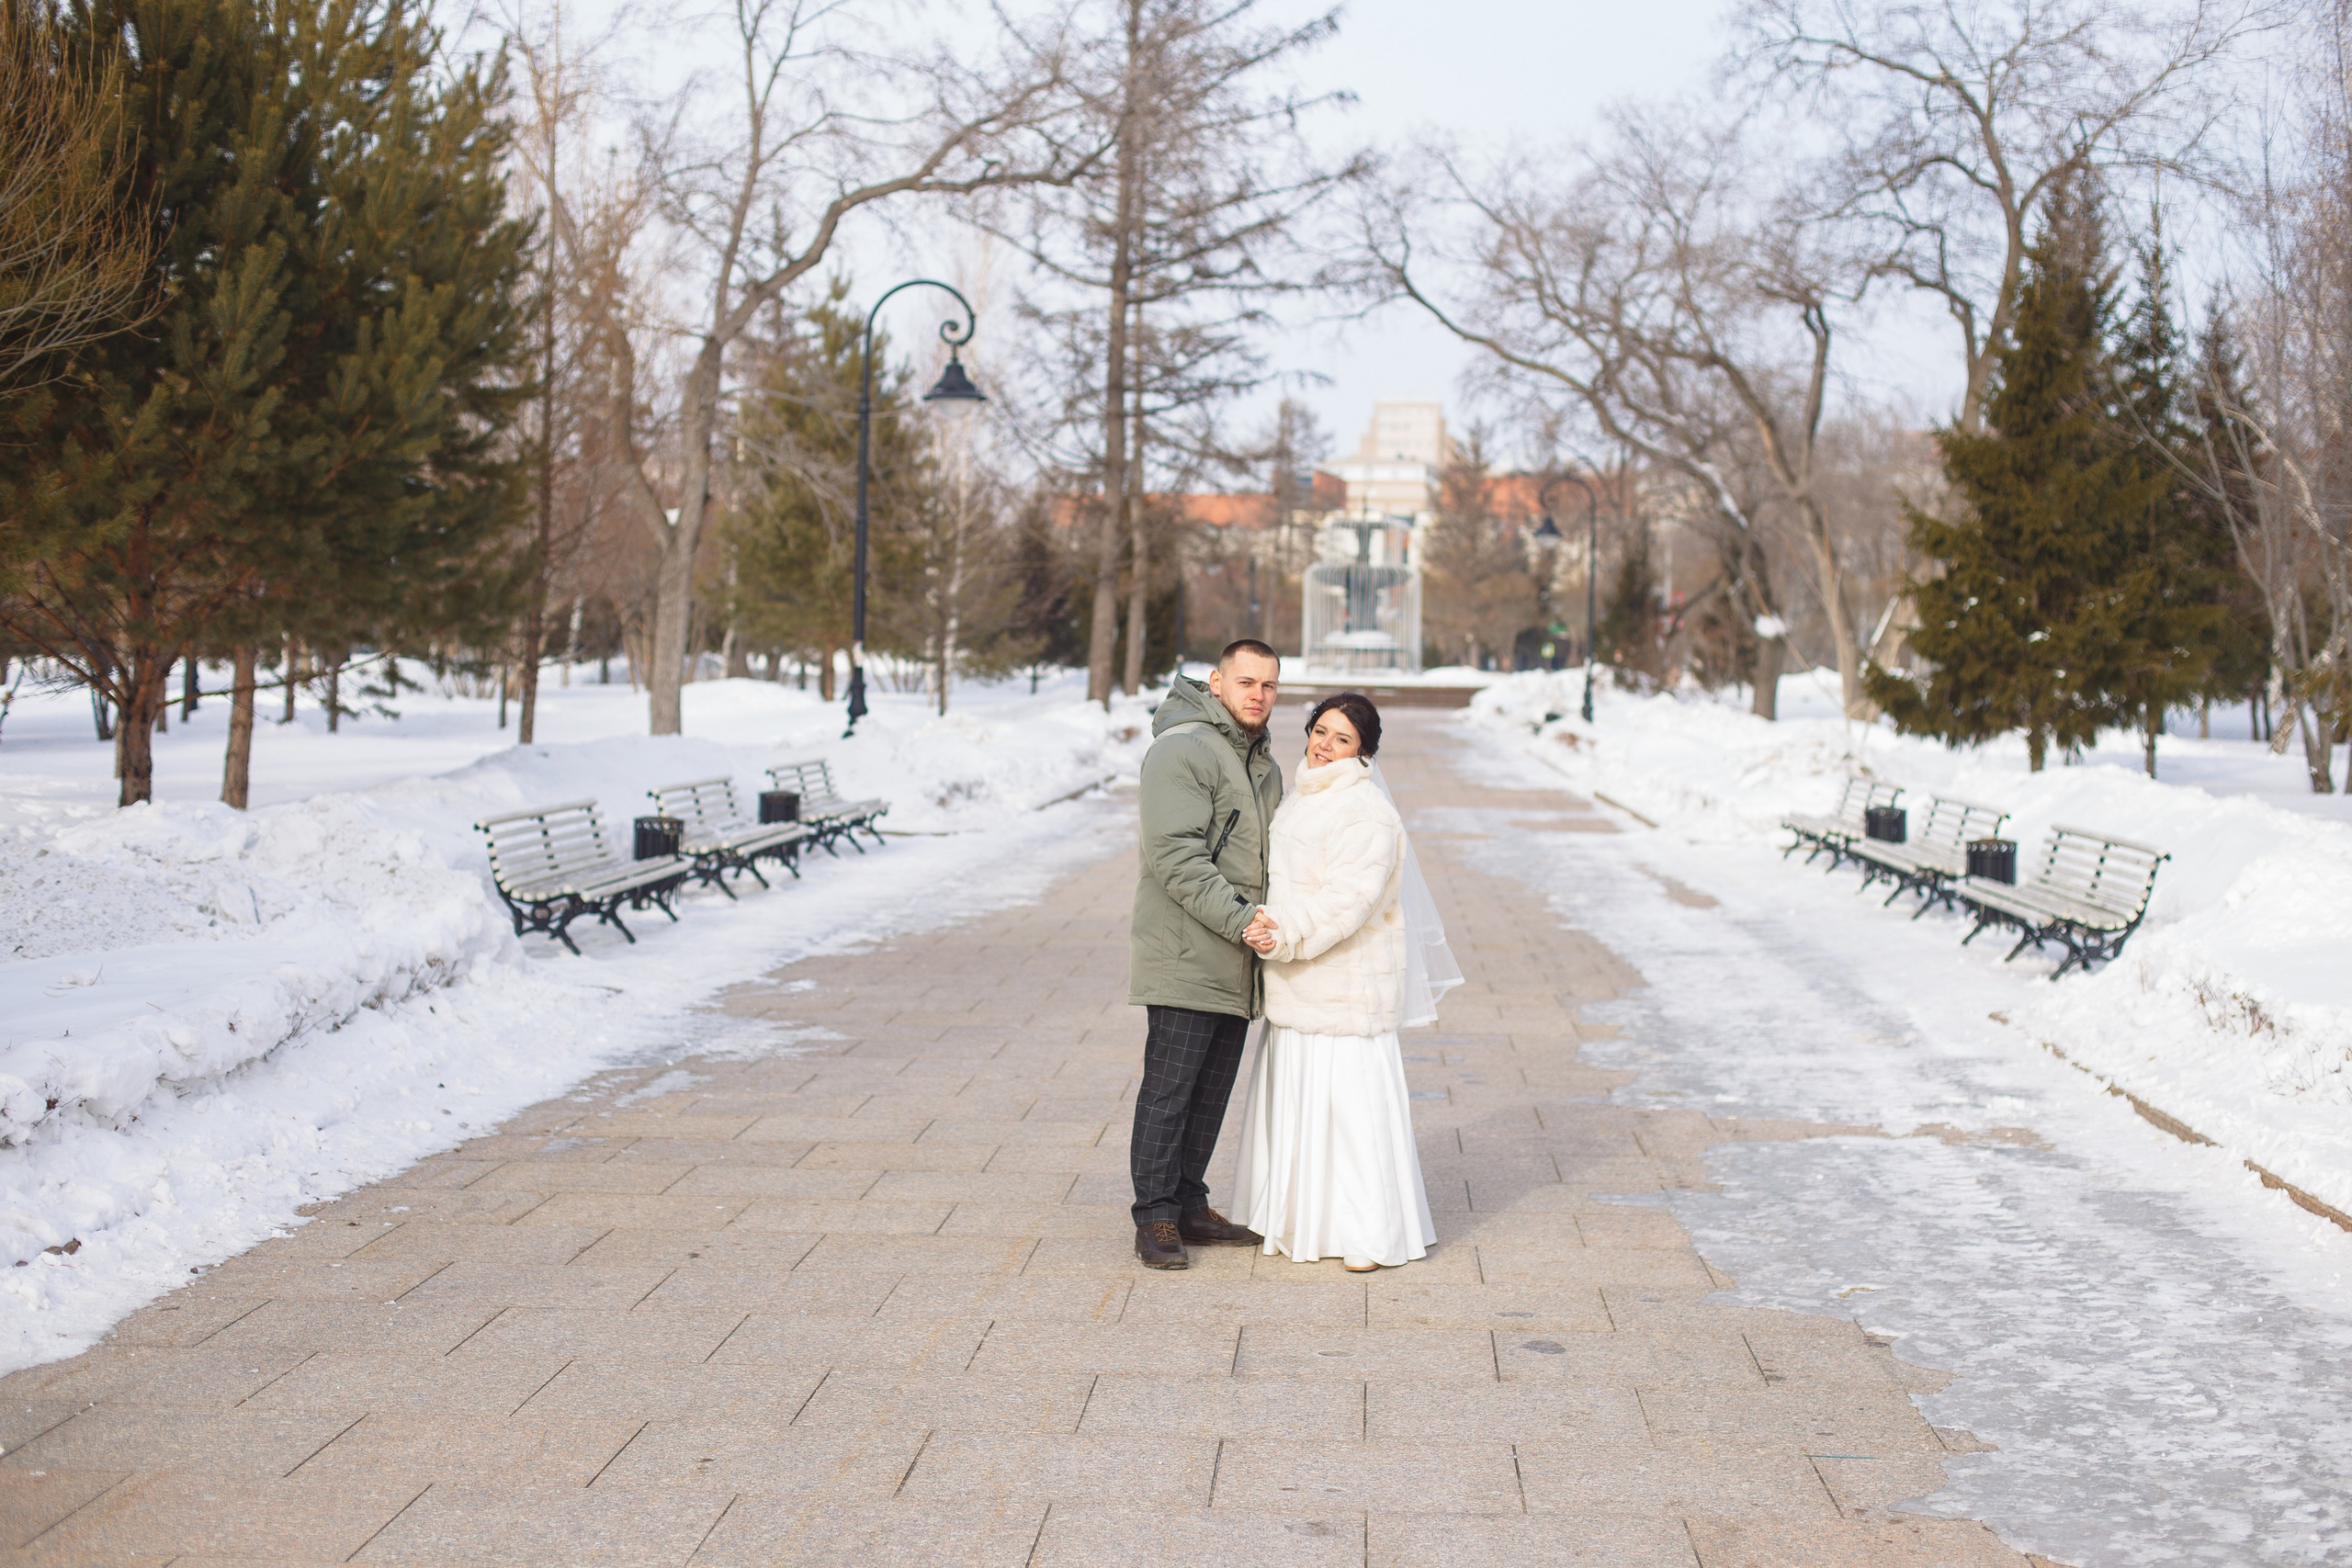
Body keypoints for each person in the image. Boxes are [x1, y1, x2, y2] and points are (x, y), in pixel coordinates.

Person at [1232, 692, 1457, 1272]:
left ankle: (1368, 1234)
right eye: (1320, 731)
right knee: (1303, 1111)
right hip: (1297, 983)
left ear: (1365, 753)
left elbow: (1348, 902)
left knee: (1352, 1117)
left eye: (1343, 739)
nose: (1325, 746)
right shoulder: (1301, 794)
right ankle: (1297, 1222)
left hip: (1344, 986)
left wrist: (1282, 934)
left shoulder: (1367, 811)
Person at [1126, 638, 1285, 1269]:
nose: (1259, 695)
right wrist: (1246, 921)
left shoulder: (1256, 757)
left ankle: (1190, 1202)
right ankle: (1156, 1216)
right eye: (1247, 682)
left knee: (1210, 1089)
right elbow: (1176, 858)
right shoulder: (1184, 747)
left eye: (1270, 686)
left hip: (1234, 957)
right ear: (1216, 681)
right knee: (1170, 1088)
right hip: (1188, 952)